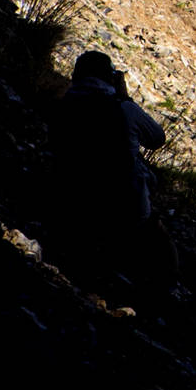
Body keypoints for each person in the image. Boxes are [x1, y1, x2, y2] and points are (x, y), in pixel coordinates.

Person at [45, 49, 169, 299]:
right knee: (161, 243)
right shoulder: (122, 108)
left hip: (70, 199)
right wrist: (126, 98)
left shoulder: (62, 105)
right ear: (110, 78)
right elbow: (157, 138)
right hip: (124, 206)